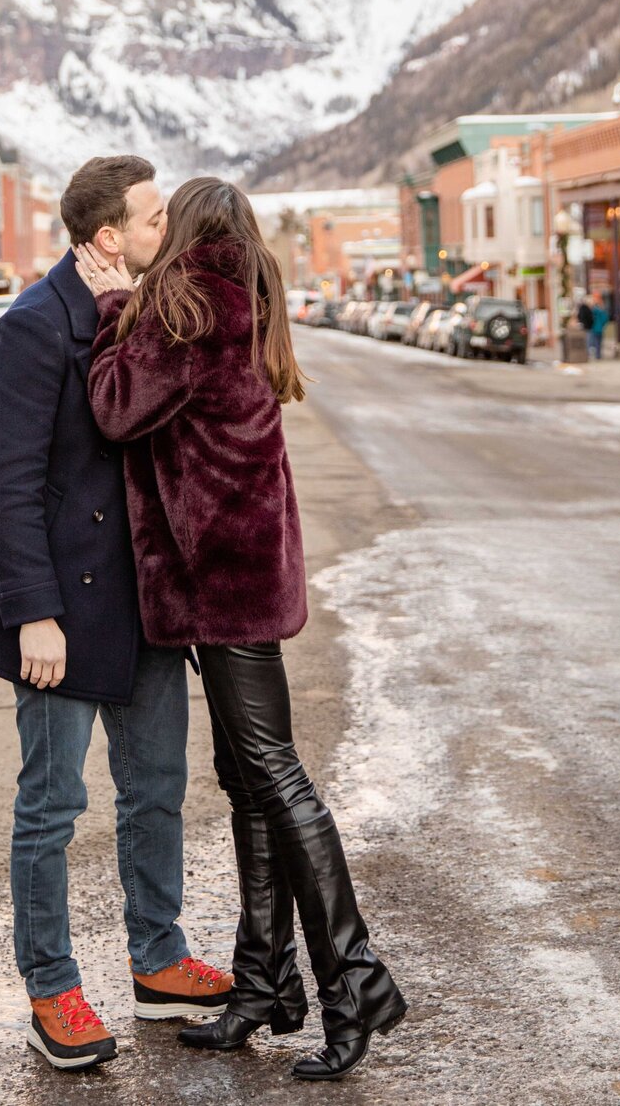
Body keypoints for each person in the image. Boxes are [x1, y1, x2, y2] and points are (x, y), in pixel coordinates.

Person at [76, 177, 407, 1084]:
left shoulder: (182, 305)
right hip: (242, 569)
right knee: (247, 776)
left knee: (271, 770)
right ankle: (264, 984)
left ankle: (355, 978)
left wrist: (109, 312)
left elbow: (113, 407)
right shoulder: (245, 292)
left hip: (220, 576)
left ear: (183, 229)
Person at [0, 156, 232, 1073]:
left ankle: (158, 961)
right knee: (51, 807)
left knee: (157, 790)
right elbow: (4, 488)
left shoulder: (147, 316)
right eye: (156, 219)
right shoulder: (34, 329)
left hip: (147, 605)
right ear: (109, 236)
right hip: (62, 615)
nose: (172, 230)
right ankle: (53, 989)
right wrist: (32, 614)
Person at [588, 293, 609, 360]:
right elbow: (605, 318)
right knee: (599, 342)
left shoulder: (594, 311)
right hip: (600, 329)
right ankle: (598, 355)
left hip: (594, 329)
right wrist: (602, 325)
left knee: (593, 342)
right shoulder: (601, 311)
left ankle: (596, 355)